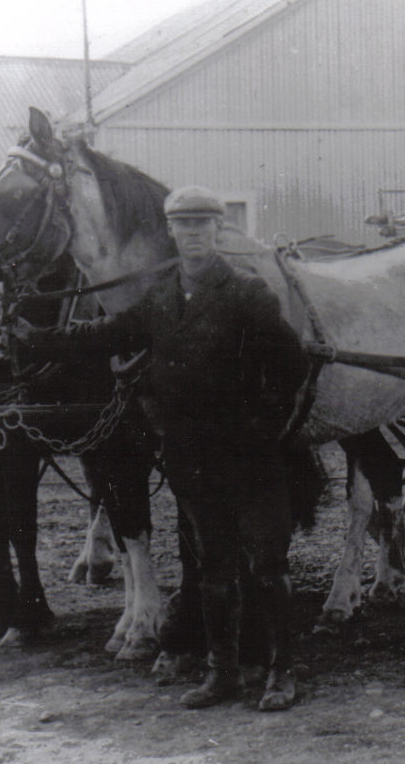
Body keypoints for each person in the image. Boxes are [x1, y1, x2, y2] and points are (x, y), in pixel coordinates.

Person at [17, 186, 310, 710]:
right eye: (184, 226)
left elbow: (290, 364)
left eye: (203, 225)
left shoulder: (248, 293)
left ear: (217, 232)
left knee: (268, 566)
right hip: (191, 457)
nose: (193, 234)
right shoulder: (161, 299)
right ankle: (222, 673)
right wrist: (33, 339)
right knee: (213, 567)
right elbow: (106, 333)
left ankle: (280, 674)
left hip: (250, 456)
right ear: (171, 233)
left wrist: (262, 425)